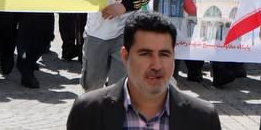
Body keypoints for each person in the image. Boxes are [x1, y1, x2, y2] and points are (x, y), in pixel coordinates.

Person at [66, 13, 221, 130]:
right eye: (145, 54)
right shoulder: (87, 112)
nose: (156, 65)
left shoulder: (203, 119)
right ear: (125, 56)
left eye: (164, 54)